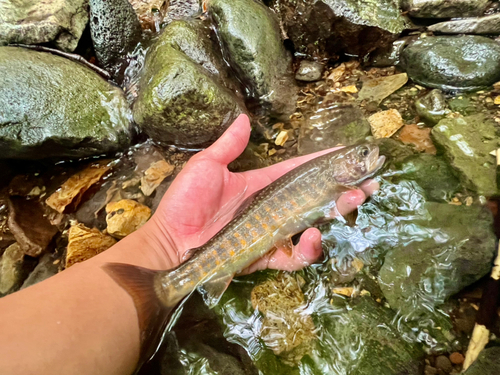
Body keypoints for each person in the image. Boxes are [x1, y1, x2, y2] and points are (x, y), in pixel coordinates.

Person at [0, 115, 378, 374]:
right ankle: (163, 291)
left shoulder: (333, 178)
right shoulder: (334, 178)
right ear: (341, 170)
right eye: (360, 156)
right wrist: (164, 252)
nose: (368, 157)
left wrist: (164, 245)